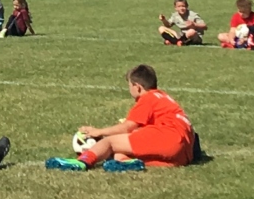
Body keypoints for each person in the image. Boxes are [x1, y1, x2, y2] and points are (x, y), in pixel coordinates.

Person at [57, 64, 198, 169]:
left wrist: (98, 132)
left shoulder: (147, 98)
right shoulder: (163, 97)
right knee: (119, 155)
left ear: (137, 87)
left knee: (110, 143)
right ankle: (128, 164)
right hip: (184, 152)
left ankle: (82, 162)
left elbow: (127, 127)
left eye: (129, 85)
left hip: (168, 137)